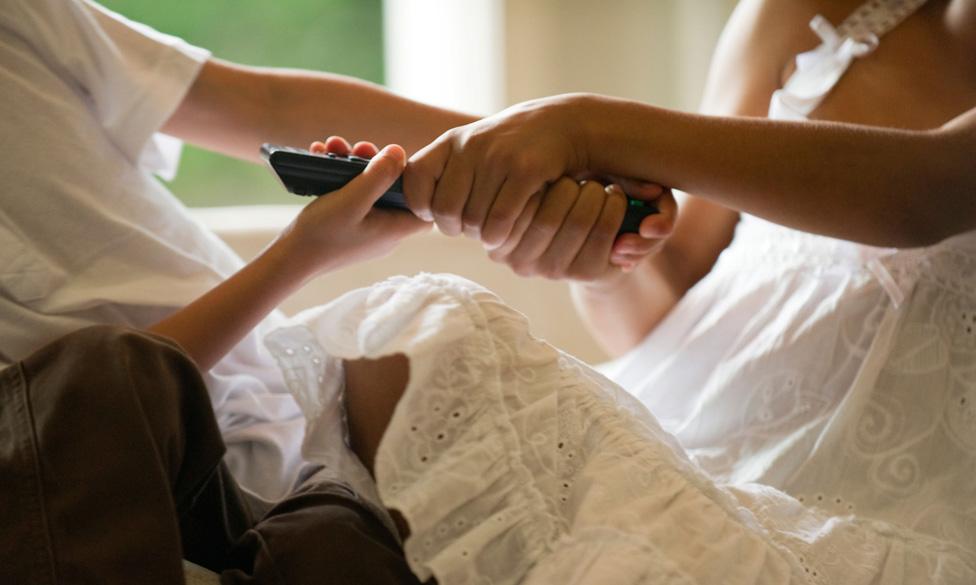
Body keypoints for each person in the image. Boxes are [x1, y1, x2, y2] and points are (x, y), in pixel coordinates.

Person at [282, 0, 974, 583]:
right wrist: (603, 257)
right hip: (688, 452)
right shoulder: (802, 14)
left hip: (886, 518)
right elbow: (666, 297)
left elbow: (931, 189)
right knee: (414, 356)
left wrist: (590, 129)